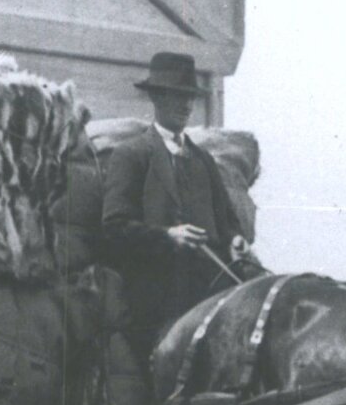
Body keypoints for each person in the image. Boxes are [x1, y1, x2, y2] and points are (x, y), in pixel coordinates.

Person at [99, 52, 254, 365]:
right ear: (156, 98)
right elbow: (113, 229)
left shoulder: (204, 160)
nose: (186, 105)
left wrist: (236, 240)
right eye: (176, 96)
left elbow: (228, 224)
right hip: (157, 303)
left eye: (190, 98)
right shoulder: (133, 155)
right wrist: (168, 236)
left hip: (211, 297)